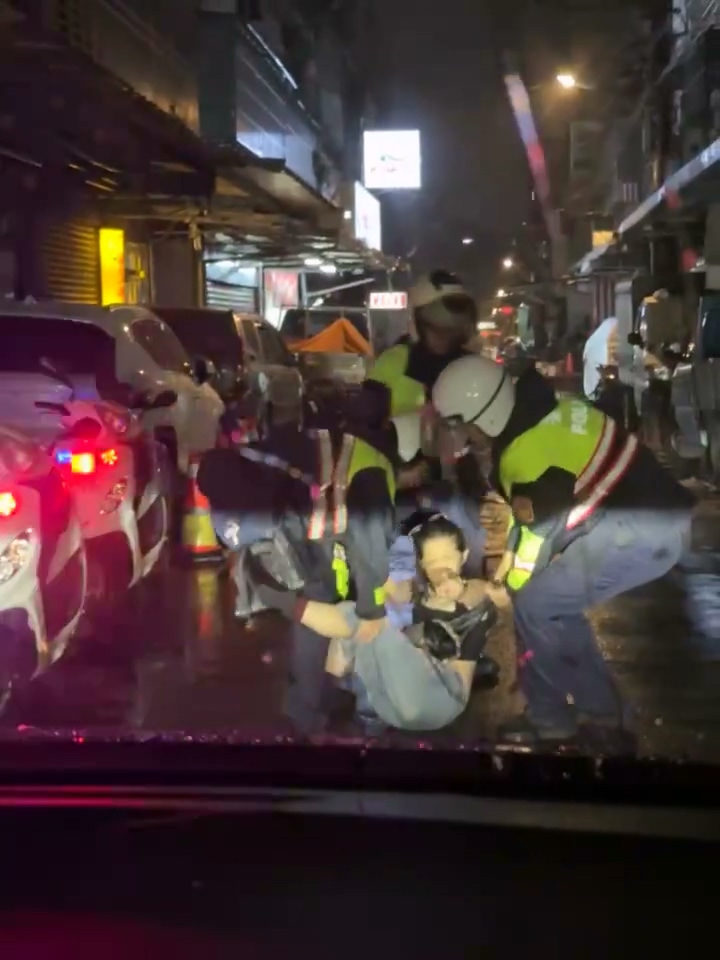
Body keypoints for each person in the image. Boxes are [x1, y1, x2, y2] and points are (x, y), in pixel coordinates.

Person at [432, 353, 696, 748]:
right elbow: (542, 517)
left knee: (537, 604)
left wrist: (506, 585)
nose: (461, 437)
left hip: (644, 529)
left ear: (486, 416)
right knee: (542, 604)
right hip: (643, 514)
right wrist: (510, 565)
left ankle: (596, 718)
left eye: (460, 425)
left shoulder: (527, 454)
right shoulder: (546, 410)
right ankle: (556, 714)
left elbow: (537, 536)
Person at [197, 402, 411, 736]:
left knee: (373, 614)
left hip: (361, 518)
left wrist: (372, 606)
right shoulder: (256, 474)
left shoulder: (353, 476)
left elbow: (371, 538)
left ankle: (372, 719)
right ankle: (306, 713)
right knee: (313, 606)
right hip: (318, 526)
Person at [248, 512, 499, 733]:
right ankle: (348, 702)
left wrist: (468, 589)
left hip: (442, 698)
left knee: (375, 624)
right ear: (421, 564)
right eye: (433, 562)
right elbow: (392, 592)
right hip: (396, 699)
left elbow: (484, 595)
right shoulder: (417, 596)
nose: (441, 568)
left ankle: (282, 603)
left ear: (464, 556)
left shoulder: (475, 601)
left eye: (448, 558)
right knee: (366, 617)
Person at [367, 269, 488, 574]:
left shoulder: (473, 367)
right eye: (437, 328)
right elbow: (367, 429)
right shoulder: (393, 363)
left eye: (451, 329)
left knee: (470, 561)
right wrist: (395, 472)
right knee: (398, 571)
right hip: (401, 488)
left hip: (458, 485)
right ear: (420, 322)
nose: (444, 336)